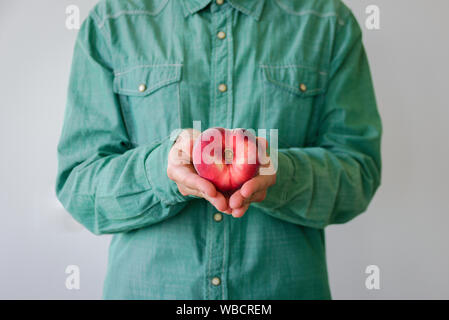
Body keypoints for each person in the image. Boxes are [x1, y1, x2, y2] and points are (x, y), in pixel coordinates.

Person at [56, 0, 382, 299]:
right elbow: (77, 186)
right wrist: (161, 171)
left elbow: (359, 176)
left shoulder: (328, 21)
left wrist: (278, 173)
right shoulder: (113, 22)